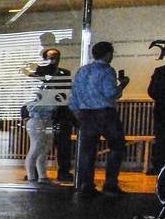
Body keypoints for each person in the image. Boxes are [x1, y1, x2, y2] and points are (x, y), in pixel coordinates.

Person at [68, 40, 129, 197]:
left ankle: (85, 184)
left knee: (87, 150)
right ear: (108, 54)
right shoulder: (107, 70)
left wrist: (77, 112)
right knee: (117, 145)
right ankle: (110, 183)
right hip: (105, 112)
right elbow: (110, 93)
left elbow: (73, 95)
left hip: (85, 114)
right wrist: (122, 85)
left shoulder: (82, 70)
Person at [30, 47, 75, 183]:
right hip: (44, 113)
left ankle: (64, 171)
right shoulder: (40, 72)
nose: (54, 59)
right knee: (40, 143)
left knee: (63, 142)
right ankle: (35, 171)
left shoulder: (64, 72)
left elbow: (66, 91)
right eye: (50, 57)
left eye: (56, 56)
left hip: (60, 111)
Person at [147, 41, 164, 175]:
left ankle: (158, 166)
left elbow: (152, 91)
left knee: (161, 139)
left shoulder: (159, 72)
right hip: (161, 111)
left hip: (162, 111)